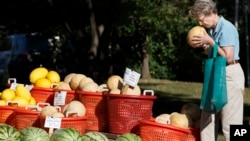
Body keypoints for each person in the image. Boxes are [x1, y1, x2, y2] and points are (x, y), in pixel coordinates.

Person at [188, 0, 245, 141]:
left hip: (230, 74)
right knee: (207, 117)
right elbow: (216, 52)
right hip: (216, 73)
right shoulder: (212, 30)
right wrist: (206, 46)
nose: (200, 24)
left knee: (232, 122)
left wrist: (210, 42)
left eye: (201, 20)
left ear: (210, 13)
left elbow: (229, 57)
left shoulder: (226, 28)